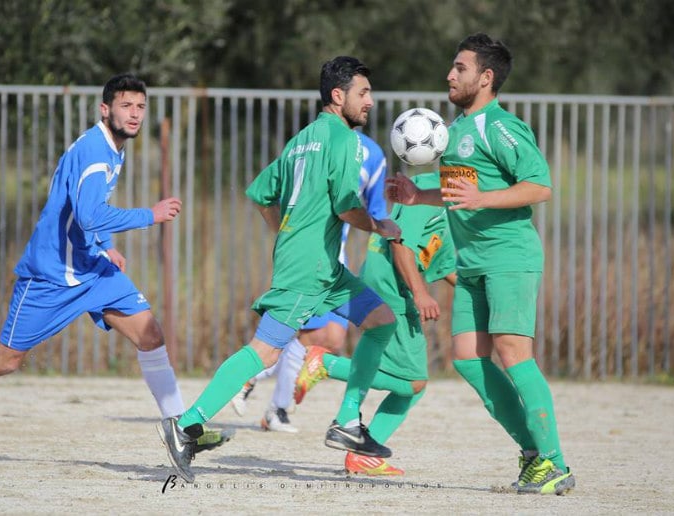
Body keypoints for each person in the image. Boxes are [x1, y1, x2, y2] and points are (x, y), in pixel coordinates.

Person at [0, 73, 230, 455]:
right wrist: (149, 215)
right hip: (50, 275)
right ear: (105, 110)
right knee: (6, 361)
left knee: (151, 335)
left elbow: (80, 209)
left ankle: (180, 431)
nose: (134, 115)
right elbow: (87, 215)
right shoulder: (95, 151)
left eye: (140, 107)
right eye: (126, 106)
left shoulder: (111, 145)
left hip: (91, 267)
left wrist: (104, 246)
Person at [157, 56, 401, 483]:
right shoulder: (344, 141)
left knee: (380, 321)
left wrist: (284, 232)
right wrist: (380, 225)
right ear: (337, 96)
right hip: (310, 269)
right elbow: (347, 207)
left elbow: (259, 191)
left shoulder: (299, 141)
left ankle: (348, 422)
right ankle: (185, 424)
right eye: (363, 93)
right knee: (265, 351)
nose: (371, 102)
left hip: (324, 267)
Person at [386, 33, 575, 495]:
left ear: (486, 78)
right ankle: (534, 452)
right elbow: (459, 190)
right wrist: (418, 195)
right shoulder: (455, 131)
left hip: (509, 256)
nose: (450, 75)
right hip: (471, 264)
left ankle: (554, 462)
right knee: (468, 359)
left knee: (513, 354)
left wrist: (484, 198)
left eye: (460, 68)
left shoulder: (500, 126)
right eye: (452, 68)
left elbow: (540, 185)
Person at [295, 170, 456, 476]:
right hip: (390, 282)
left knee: (414, 385)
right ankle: (327, 364)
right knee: (413, 382)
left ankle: (364, 453)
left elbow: (445, 265)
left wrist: (481, 294)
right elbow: (400, 244)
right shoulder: (426, 188)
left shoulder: (450, 206)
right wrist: (421, 293)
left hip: (393, 283)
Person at [233, 131, 389, 434]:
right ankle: (255, 383)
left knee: (327, 339)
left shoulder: (370, 153)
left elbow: (376, 209)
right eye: (361, 93)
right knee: (309, 338)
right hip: (315, 262)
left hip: (331, 261)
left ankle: (268, 399)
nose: (366, 101)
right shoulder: (317, 143)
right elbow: (264, 193)